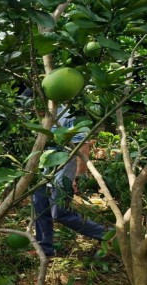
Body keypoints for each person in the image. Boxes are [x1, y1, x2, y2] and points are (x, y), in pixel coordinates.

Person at [32, 103, 111, 258]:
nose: (34, 109)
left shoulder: (68, 115)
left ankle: (107, 234)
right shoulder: (32, 116)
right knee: (40, 206)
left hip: (64, 165)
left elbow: (83, 146)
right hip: (41, 167)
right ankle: (44, 249)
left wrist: (79, 175)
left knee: (59, 213)